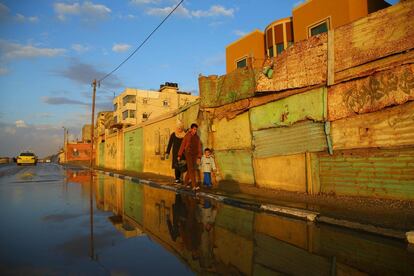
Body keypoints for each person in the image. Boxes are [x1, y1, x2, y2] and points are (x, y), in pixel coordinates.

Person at [178, 123, 202, 191]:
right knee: (191, 169)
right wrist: (179, 155)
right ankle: (194, 185)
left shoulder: (197, 137)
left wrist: (199, 156)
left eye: (196, 130)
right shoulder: (187, 136)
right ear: (191, 129)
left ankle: (185, 183)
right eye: (194, 129)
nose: (195, 131)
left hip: (195, 154)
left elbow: (199, 147)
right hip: (188, 154)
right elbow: (182, 145)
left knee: (191, 169)